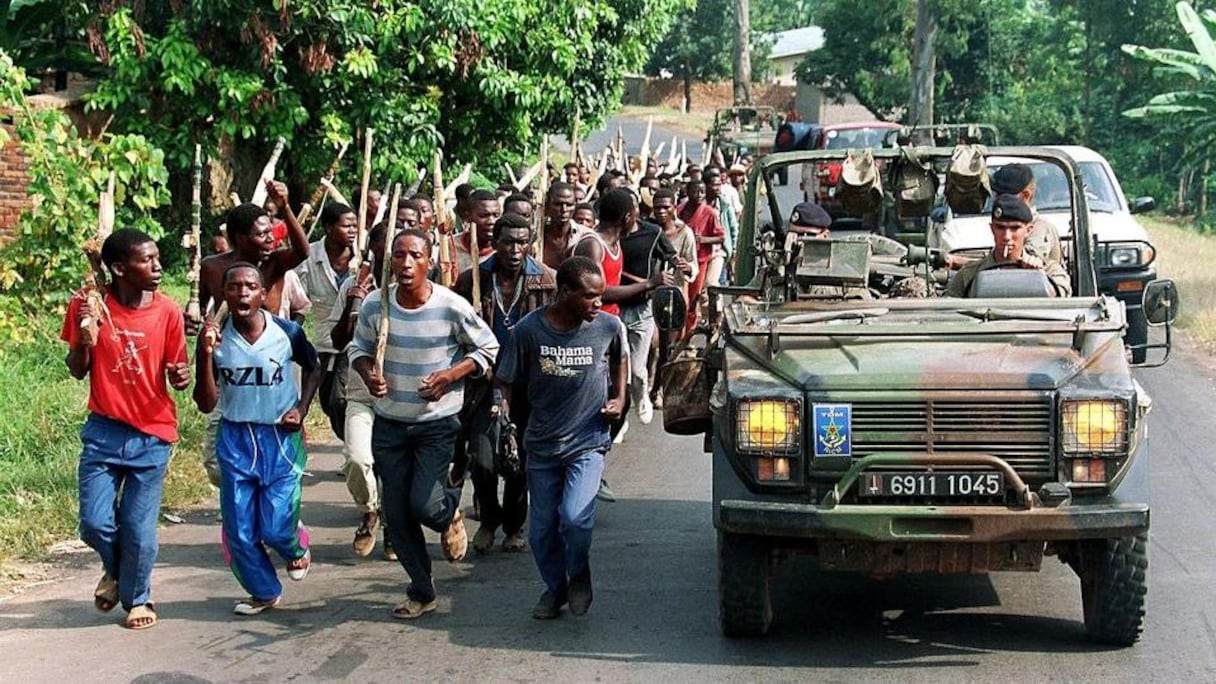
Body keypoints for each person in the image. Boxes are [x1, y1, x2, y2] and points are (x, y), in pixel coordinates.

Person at [349, 229, 499, 619]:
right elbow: (357, 349)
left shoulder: (450, 306)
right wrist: (369, 372)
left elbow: (488, 347)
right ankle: (421, 589)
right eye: (398, 256)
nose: (406, 263)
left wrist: (451, 375)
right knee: (396, 516)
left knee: (425, 504)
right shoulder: (375, 306)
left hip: (436, 423)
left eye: (414, 255)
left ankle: (449, 513)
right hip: (390, 423)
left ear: (429, 260)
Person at [62, 228, 190, 630]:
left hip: (152, 434)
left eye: (156, 258)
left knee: (139, 529)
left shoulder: (168, 311)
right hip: (104, 431)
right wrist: (86, 336)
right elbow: (78, 369)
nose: (158, 266)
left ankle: (139, 597)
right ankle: (116, 570)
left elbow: (176, 371)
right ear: (118, 268)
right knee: (95, 523)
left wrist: (182, 375)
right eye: (146, 261)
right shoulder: (88, 303)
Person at [494, 256, 627, 620]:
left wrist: (619, 396)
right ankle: (556, 589)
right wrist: (502, 416)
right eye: (589, 297)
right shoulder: (528, 331)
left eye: (601, 296)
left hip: (587, 441)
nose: (598, 303)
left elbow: (620, 358)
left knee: (575, 517)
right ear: (564, 292)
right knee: (541, 533)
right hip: (541, 445)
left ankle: (579, 570)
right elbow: (504, 379)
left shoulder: (608, 327)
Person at [193, 263, 321, 616]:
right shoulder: (214, 341)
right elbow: (205, 402)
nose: (242, 293)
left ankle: (295, 546)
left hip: (280, 438)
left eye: (250, 286)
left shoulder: (286, 332)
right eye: (233, 287)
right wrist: (205, 355)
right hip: (235, 437)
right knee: (240, 529)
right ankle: (263, 591)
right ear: (224, 294)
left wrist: (301, 408)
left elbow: (314, 366)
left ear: (263, 295)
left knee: (277, 527)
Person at [191, 182, 311, 488]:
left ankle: (278, 509)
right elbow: (202, 309)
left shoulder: (275, 263)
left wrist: (284, 206)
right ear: (238, 238)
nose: (270, 239)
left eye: (271, 232)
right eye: (261, 234)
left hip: (273, 362)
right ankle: (241, 505)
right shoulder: (212, 267)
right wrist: (195, 324)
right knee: (217, 462)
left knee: (280, 450)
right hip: (230, 363)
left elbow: (302, 250)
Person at [454, 214, 556, 554]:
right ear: (494, 242)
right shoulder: (473, 279)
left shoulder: (546, 281)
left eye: (521, 242)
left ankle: (514, 525)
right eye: (508, 242)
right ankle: (488, 520)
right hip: (484, 383)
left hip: (528, 384)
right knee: (482, 458)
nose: (515, 249)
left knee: (520, 460)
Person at [328, 224, 394, 559]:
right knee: (357, 458)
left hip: (404, 396)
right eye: (384, 248)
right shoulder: (355, 287)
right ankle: (370, 510)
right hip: (361, 391)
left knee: (396, 469)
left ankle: (395, 529)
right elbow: (339, 342)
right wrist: (353, 305)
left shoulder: (422, 289)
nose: (394, 257)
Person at [294, 202, 357, 439]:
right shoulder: (309, 257)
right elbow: (298, 299)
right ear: (329, 227)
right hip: (324, 342)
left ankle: (359, 447)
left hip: (355, 343)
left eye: (355, 226)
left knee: (339, 399)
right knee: (329, 402)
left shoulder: (363, 259)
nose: (352, 231)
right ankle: (352, 443)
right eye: (346, 226)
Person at [619, 193, 681, 425]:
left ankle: (642, 394)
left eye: (631, 210)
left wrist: (680, 267)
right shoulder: (609, 235)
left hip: (641, 308)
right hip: (613, 306)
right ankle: (620, 417)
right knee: (616, 369)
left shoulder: (652, 232)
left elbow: (672, 257)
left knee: (636, 370)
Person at [945, 194, 1072, 298]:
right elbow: (947, 311)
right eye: (1000, 228)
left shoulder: (1049, 270)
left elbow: (1063, 295)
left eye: (1015, 228)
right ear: (992, 228)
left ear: (1028, 230)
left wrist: (1038, 276)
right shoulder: (969, 274)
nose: (1006, 236)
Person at [991, 163, 1064, 268]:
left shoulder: (1041, 228)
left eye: (1004, 195)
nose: (997, 200)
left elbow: (1017, 262)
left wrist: (965, 263)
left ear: (1025, 196)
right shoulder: (1000, 223)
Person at [678, 180, 725, 335]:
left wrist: (703, 240)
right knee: (678, 299)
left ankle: (688, 336)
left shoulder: (710, 213)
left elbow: (720, 237)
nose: (699, 195)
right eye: (695, 192)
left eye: (702, 192)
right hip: (680, 260)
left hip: (700, 261)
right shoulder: (680, 210)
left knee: (693, 299)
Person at [705, 168, 737, 284]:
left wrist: (733, 250)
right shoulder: (698, 206)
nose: (718, 188)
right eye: (714, 185)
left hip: (720, 251)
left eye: (719, 185)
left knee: (714, 283)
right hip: (702, 252)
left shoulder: (725, 205)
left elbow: (733, 229)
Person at [542, 182, 584, 270]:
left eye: (569, 205)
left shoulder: (584, 237)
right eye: (558, 204)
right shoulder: (536, 237)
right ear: (547, 204)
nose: (564, 210)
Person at [457, 189, 500, 271]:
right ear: (467, 216)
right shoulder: (450, 247)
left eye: (496, 215)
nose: (491, 221)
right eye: (484, 215)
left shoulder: (502, 251)